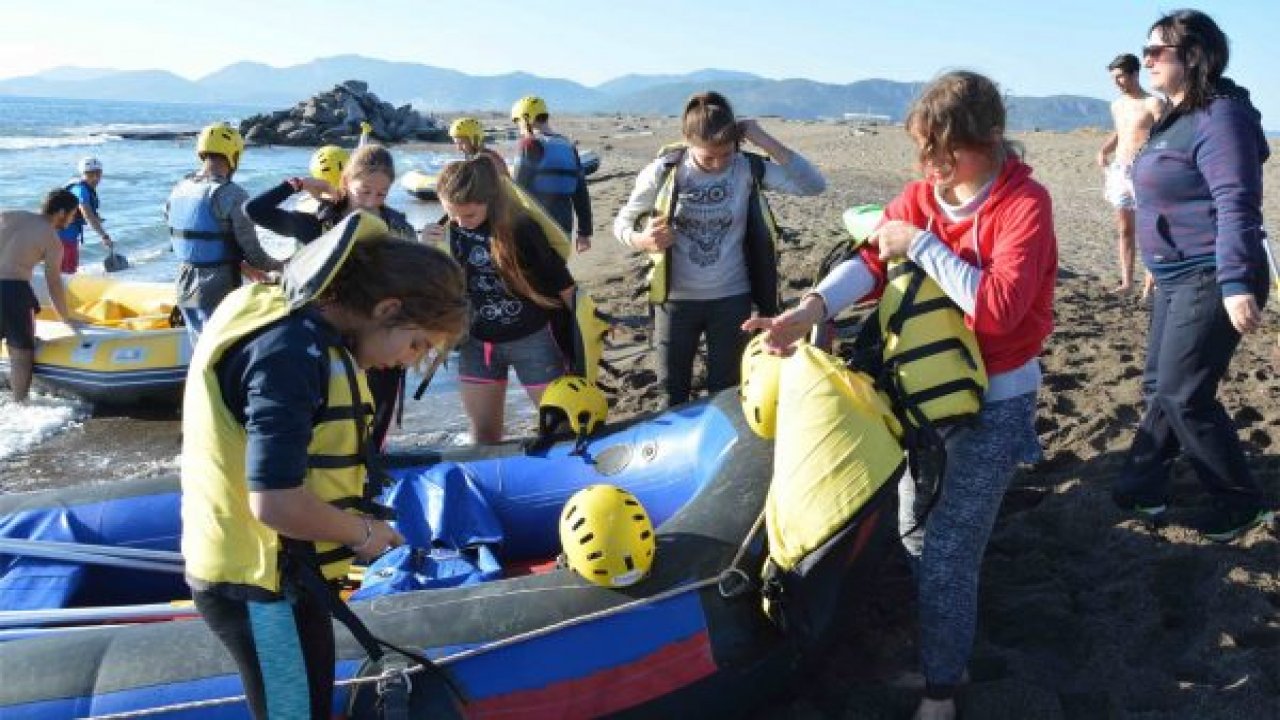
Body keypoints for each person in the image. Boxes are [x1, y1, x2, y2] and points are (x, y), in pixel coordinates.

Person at [744, 72, 1057, 720]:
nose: (935, 169)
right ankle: (950, 653)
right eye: (925, 153)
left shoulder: (1025, 206)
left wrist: (921, 244)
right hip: (920, 404)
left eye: (948, 153)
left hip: (994, 408)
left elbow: (997, 311)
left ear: (990, 139)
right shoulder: (924, 195)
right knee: (914, 532)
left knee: (947, 555)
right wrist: (807, 311)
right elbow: (869, 260)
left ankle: (942, 692)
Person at [181, 214, 467, 720]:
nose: (408, 360)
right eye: (417, 343)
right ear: (387, 308)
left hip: (289, 575)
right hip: (260, 583)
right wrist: (363, 533)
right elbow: (274, 501)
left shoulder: (303, 332)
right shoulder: (287, 352)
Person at [1112, 9, 1273, 542]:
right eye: (1147, 50)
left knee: (1186, 395)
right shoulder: (1175, 115)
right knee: (1161, 386)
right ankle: (1143, 487)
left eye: (1159, 50)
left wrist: (1235, 284)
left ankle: (1238, 505)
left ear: (1196, 56)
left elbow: (1235, 203)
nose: (1148, 59)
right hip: (1175, 273)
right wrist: (1156, 264)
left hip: (1212, 272)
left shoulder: (1220, 116)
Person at [613, 90, 825, 407]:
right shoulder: (664, 172)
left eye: (726, 154)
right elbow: (622, 224)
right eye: (708, 157)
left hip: (731, 299)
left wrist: (762, 138)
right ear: (687, 143)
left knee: (725, 392)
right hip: (675, 301)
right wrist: (642, 240)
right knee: (671, 393)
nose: (718, 163)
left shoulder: (746, 168)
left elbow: (814, 185)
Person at [245, 143, 417, 449]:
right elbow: (255, 211)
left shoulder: (397, 226)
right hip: (327, 342)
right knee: (323, 430)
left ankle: (366, 484)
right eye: (364, 191)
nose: (370, 202)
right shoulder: (319, 225)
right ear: (345, 183)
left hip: (381, 343)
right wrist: (297, 185)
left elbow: (414, 285)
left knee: (372, 434)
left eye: (381, 195)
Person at [437, 157, 577, 443]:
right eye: (453, 214)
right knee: (483, 437)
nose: (461, 222)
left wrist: (586, 332)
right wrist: (429, 250)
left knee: (559, 428)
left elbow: (562, 283)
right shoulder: (446, 233)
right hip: (477, 344)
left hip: (533, 340)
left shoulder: (521, 228)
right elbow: (436, 290)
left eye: (470, 215)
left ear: (489, 201)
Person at [166, 122, 282, 345]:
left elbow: (189, 239)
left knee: (198, 349)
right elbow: (254, 253)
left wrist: (243, 265)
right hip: (216, 289)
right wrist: (282, 266)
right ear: (234, 155)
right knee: (219, 353)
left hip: (183, 284)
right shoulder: (233, 195)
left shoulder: (179, 188)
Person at [0, 189, 84, 402]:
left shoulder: (10, 215)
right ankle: (19, 405)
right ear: (61, 212)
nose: (73, 220)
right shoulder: (52, 239)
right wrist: (65, 318)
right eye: (73, 214)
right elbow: (53, 283)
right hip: (13, 291)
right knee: (21, 355)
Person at [1096, 53, 1164, 296]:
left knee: (1150, 229)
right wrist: (1105, 149)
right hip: (1119, 170)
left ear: (1135, 73)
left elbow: (1165, 135)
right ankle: (1127, 282)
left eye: (1121, 76)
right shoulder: (1117, 105)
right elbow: (1121, 132)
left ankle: (1150, 283)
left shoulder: (1153, 103)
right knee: (1125, 229)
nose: (1117, 82)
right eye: (1114, 78)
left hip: (1146, 170)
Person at [511, 96, 593, 253]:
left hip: (536, 226)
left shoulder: (529, 144)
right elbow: (581, 192)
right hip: (564, 226)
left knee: (532, 275)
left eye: (517, 121)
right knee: (557, 272)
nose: (518, 127)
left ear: (527, 118)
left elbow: (517, 191)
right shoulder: (569, 146)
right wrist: (584, 232)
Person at [57, 156, 113, 274]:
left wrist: (96, 217)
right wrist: (104, 236)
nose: (95, 178)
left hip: (70, 237)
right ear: (83, 174)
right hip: (60, 238)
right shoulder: (80, 190)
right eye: (90, 174)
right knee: (64, 273)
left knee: (70, 270)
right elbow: (87, 215)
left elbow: (86, 213)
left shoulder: (85, 189)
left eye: (98, 173)